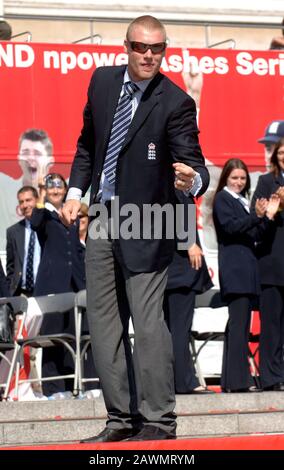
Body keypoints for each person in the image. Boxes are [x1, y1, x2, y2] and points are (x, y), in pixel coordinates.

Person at [62, 15, 209, 442]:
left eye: (157, 48)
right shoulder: (102, 83)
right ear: (126, 46)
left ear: (165, 51)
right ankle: (120, 420)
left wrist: (192, 181)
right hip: (103, 218)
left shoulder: (176, 102)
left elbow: (195, 163)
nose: (148, 55)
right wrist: (75, 192)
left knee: (147, 326)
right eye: (140, 47)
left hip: (148, 222)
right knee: (105, 327)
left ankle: (159, 422)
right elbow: (87, 145)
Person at [213, 158, 279, 393]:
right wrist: (256, 216)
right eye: (234, 178)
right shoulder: (223, 198)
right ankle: (239, 381)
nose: (239, 182)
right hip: (235, 271)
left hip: (247, 272)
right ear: (226, 178)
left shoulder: (241, 201)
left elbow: (255, 231)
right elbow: (231, 227)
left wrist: (267, 216)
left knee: (238, 328)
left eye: (242, 178)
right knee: (239, 327)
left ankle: (232, 380)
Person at [31, 173, 85, 397]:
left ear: (65, 190)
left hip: (73, 284)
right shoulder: (43, 215)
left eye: (58, 186)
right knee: (52, 338)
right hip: (52, 284)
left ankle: (71, 386)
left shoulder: (71, 214)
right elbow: (34, 222)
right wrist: (41, 195)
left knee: (72, 337)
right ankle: (53, 388)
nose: (55, 190)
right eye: (50, 187)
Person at [164, 193, 213, 394]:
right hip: (180, 272)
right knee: (179, 330)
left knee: (172, 330)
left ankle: (176, 381)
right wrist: (188, 242)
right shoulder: (174, 189)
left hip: (171, 272)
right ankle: (185, 382)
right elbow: (170, 217)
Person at [251, 138, 284, 391]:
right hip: (272, 263)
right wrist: (268, 212)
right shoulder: (265, 181)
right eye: (281, 152)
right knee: (272, 325)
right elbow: (258, 221)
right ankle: (271, 378)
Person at [0, 128, 54, 251]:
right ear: (19, 158)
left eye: (37, 153)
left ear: (50, 161)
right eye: (25, 152)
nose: (31, 158)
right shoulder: (4, 189)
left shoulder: (59, 196)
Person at [6, 186, 40, 296]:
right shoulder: (13, 232)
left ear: (37, 200)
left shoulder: (48, 227)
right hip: (21, 293)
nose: (25, 205)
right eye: (21, 202)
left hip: (43, 290)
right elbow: (11, 267)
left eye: (28, 200)